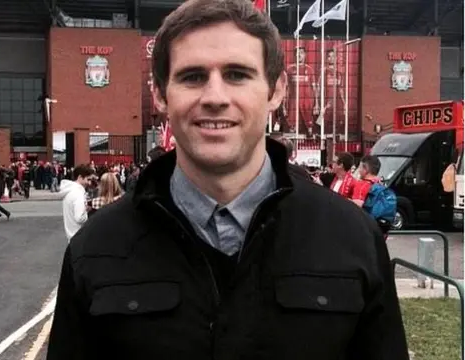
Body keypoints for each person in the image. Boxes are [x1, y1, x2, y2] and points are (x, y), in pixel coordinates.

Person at [47, 1, 408, 359]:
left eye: (237, 74)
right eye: (192, 77)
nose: (215, 97)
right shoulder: (95, 248)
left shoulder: (352, 237)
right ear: (159, 94)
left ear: (276, 90)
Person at [59, 164, 94, 242]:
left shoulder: (69, 191)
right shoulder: (78, 194)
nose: (89, 183)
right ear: (80, 177)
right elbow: (79, 218)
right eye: (88, 179)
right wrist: (87, 212)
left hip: (71, 235)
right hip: (79, 237)